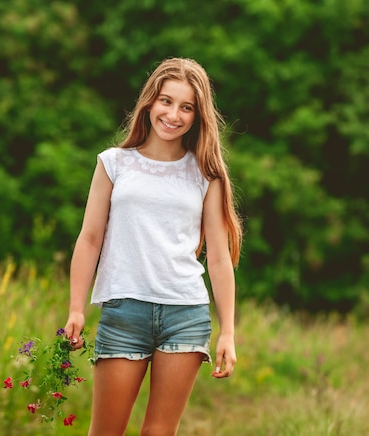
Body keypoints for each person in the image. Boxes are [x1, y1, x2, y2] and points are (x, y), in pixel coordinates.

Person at [63, 57, 243, 436]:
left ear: (197, 115)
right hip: (124, 312)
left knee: (158, 432)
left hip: (185, 315)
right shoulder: (114, 164)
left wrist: (227, 330)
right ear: (149, 102)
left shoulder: (205, 174)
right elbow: (90, 238)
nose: (173, 114)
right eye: (166, 101)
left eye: (186, 107)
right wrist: (76, 308)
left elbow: (220, 258)